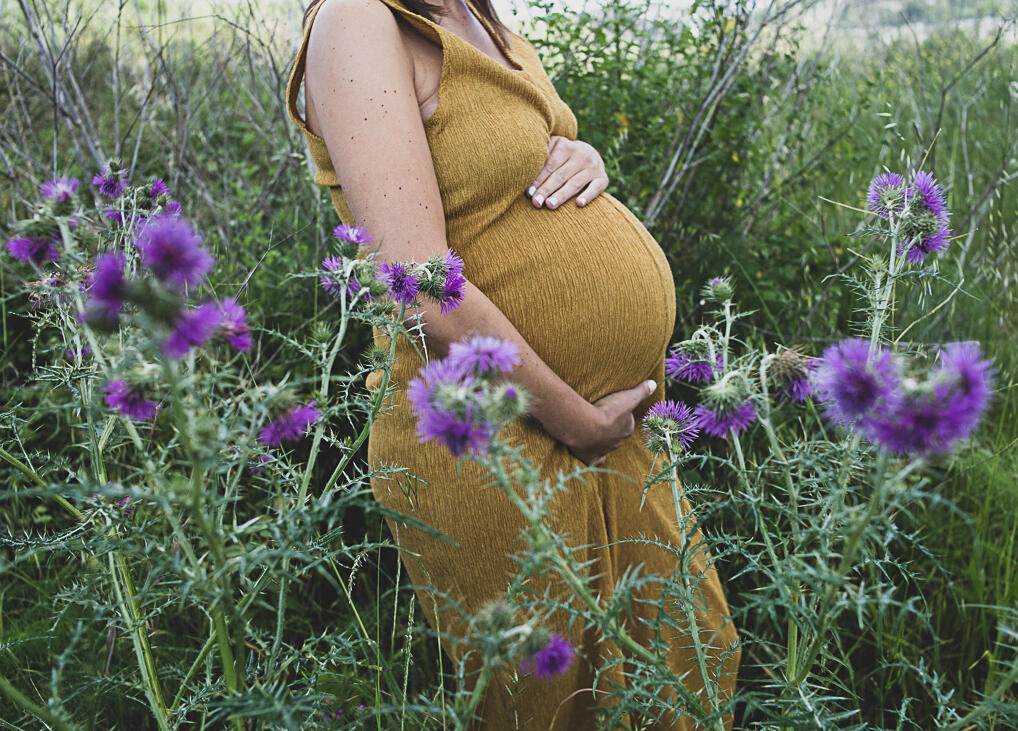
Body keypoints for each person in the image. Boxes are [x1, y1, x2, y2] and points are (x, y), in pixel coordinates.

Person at [285, 0, 740, 727]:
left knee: (688, 664)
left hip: (613, 439)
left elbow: (516, 157)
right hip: (497, 439)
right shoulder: (358, 19)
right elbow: (417, 282)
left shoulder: (474, 15)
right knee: (556, 706)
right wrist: (576, 420)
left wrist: (582, 156)